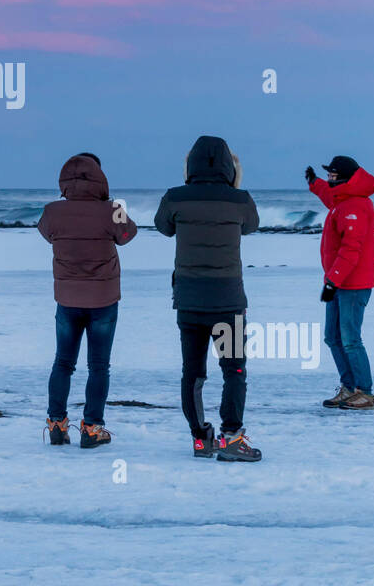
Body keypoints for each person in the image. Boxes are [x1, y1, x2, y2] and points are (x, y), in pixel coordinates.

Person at [154, 136, 261, 461]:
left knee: (193, 372)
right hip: (228, 302)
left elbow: (162, 227)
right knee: (234, 370)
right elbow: (251, 226)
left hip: (189, 300)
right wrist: (235, 184)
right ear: (229, 167)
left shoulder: (175, 198)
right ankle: (231, 438)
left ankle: (201, 438)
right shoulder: (240, 199)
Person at [38, 153, 137, 448]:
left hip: (67, 298)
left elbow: (46, 233)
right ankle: (92, 428)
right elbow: (128, 234)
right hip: (104, 299)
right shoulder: (112, 209)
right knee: (99, 366)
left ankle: (57, 423)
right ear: (100, 179)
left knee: (63, 362)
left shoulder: (53, 211)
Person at [305, 157, 374, 410]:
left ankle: (364, 392)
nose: (329, 179)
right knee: (332, 337)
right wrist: (314, 184)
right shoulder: (343, 199)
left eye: (332, 176)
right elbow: (330, 196)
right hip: (338, 282)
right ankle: (349, 388)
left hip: (353, 285)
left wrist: (331, 282)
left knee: (350, 339)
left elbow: (351, 251)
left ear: (345, 178)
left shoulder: (355, 206)